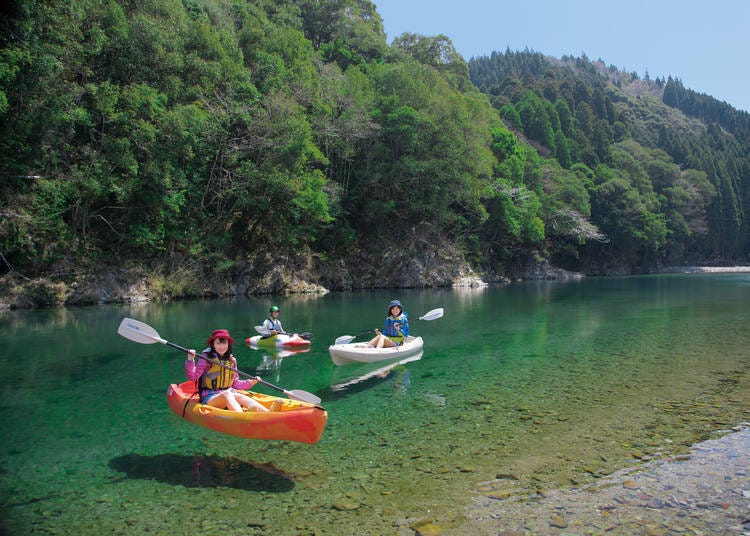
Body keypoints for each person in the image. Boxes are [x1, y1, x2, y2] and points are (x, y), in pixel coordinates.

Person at [186, 329, 279, 412]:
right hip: (209, 397)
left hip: (229, 393)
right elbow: (193, 377)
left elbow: (235, 383)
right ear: (213, 345)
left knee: (240, 396)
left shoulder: (231, 360)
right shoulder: (206, 357)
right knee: (227, 394)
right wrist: (190, 360)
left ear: (228, 344)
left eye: (224, 343)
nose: (222, 346)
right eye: (218, 343)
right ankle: (241, 416)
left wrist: (251, 382)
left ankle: (268, 412)